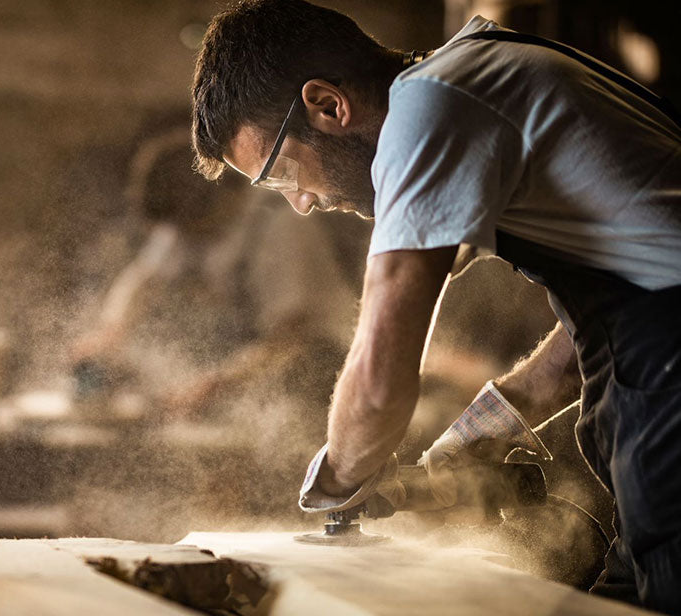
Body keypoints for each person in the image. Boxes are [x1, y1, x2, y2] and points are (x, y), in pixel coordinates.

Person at [190, 1, 680, 612]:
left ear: (327, 106)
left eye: (282, 172)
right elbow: (631, 298)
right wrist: (502, 415)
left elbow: (378, 383)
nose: (302, 204)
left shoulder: (428, 107)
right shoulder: (471, 79)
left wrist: (337, 483)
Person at [71, 128, 358, 465]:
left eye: (190, 228)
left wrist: (217, 384)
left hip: (322, 370)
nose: (180, 239)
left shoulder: (281, 228)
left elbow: (292, 337)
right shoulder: (188, 222)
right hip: (252, 369)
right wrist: (111, 331)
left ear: (221, 200)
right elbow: (143, 280)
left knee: (282, 457)